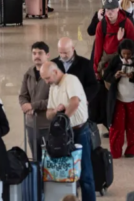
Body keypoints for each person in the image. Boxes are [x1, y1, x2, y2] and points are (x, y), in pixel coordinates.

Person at [40, 62, 96, 201]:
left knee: (85, 173)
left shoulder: (70, 80)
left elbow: (74, 103)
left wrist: (62, 121)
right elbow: (48, 114)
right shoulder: (53, 87)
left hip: (79, 131)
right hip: (63, 136)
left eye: (47, 78)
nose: (46, 82)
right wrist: (56, 111)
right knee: (64, 172)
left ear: (55, 72)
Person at [103, 39, 134, 159]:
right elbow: (106, 75)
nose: (126, 56)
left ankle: (131, 149)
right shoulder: (115, 60)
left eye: (129, 54)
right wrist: (115, 76)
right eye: (124, 53)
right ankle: (115, 151)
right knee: (116, 127)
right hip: (118, 99)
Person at [18, 42, 51, 160]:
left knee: (50, 160)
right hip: (31, 124)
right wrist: (24, 105)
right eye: (34, 53)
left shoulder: (52, 74)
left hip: (48, 125)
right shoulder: (28, 74)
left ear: (47, 55)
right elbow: (22, 95)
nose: (37, 56)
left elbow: (54, 101)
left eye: (40, 53)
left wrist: (33, 106)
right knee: (36, 158)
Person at [92, 0, 134, 76]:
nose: (110, 13)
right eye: (107, 10)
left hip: (122, 60)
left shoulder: (127, 23)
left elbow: (133, 45)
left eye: (112, 10)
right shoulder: (101, 25)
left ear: (118, 9)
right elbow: (98, 47)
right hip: (106, 59)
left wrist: (121, 40)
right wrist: (95, 69)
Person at [52, 37, 99, 106]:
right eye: (60, 52)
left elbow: (93, 85)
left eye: (65, 53)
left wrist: (84, 99)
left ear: (72, 48)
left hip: (79, 105)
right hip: (57, 105)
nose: (63, 56)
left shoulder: (86, 64)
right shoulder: (52, 64)